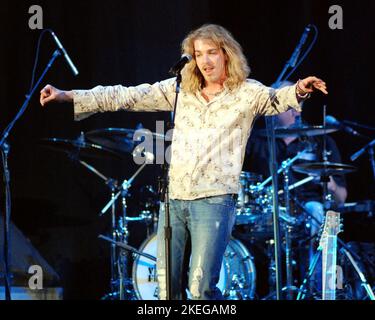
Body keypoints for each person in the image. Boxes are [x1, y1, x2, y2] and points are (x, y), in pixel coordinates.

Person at [39, 24, 328, 300]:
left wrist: (300, 90)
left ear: (227, 53)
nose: (204, 60)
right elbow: (125, 95)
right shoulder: (180, 90)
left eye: (211, 52)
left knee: (201, 288)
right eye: (198, 54)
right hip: (173, 199)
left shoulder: (246, 92)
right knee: (165, 290)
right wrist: (68, 96)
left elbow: (275, 100)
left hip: (214, 200)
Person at [243, 83, 347, 295]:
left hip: (308, 213)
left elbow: (341, 199)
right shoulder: (254, 143)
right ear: (273, 106)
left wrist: (327, 180)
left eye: (300, 104)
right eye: (291, 105)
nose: (298, 110)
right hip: (266, 214)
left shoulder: (320, 142)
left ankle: (317, 290)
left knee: (316, 211)